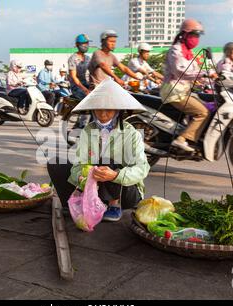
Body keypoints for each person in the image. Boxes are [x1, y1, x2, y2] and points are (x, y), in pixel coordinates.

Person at [47, 79, 150, 222]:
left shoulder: (132, 134)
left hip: (125, 193)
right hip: (96, 186)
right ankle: (76, 204)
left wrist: (115, 175)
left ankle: (114, 205)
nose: (102, 114)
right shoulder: (88, 131)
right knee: (56, 163)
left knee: (107, 161)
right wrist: (82, 176)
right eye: (98, 109)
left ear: (118, 111)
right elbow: (79, 164)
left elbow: (142, 169)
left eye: (108, 109)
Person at [160, 19, 217, 152]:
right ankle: (181, 139)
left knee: (207, 103)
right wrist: (204, 74)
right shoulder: (176, 50)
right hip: (174, 92)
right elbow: (181, 71)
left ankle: (194, 136)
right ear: (185, 35)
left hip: (183, 91)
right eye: (194, 35)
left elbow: (196, 71)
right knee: (203, 112)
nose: (196, 39)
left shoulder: (188, 53)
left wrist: (213, 79)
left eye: (198, 36)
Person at [68, 33, 92, 128]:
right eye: (84, 43)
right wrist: (85, 89)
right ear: (78, 45)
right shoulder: (73, 58)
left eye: (87, 43)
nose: (86, 45)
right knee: (88, 102)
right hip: (77, 87)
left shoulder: (88, 58)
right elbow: (73, 77)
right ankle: (82, 126)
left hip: (87, 85)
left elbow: (92, 73)